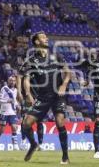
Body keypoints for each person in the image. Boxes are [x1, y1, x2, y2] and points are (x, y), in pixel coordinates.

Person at [21, 31, 71, 164]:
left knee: (60, 121)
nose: (46, 38)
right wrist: (28, 94)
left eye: (46, 36)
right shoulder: (31, 60)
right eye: (43, 37)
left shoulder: (56, 55)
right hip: (42, 97)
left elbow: (68, 73)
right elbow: (26, 79)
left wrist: (64, 85)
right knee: (26, 124)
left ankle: (65, 156)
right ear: (37, 42)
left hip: (57, 95)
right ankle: (33, 144)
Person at [17, 62, 45, 151]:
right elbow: (23, 79)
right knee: (25, 120)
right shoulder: (28, 68)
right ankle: (23, 141)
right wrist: (26, 94)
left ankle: (40, 144)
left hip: (40, 98)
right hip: (29, 99)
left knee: (39, 122)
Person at [0, 76, 20, 150]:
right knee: (2, 130)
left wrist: (17, 105)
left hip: (12, 112)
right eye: (11, 80)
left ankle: (15, 145)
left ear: (15, 82)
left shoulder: (16, 90)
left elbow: (14, 100)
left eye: (14, 81)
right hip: (4, 112)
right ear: (8, 81)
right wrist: (6, 101)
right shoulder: (4, 89)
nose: (12, 82)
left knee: (14, 127)